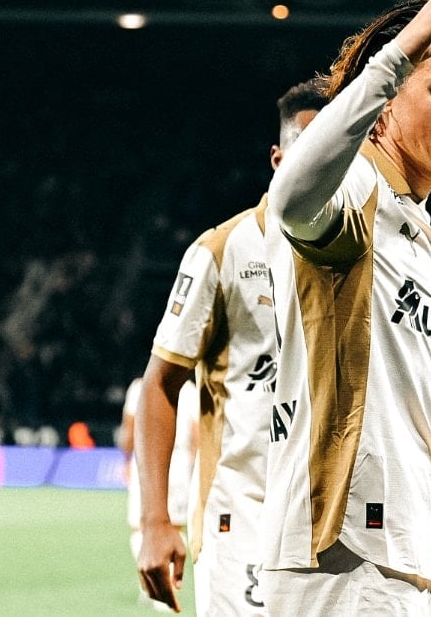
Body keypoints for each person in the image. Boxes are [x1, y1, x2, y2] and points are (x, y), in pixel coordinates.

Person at [261, 0, 431, 616]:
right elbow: (289, 198)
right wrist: (390, 61)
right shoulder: (354, 190)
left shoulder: (423, 234)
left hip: (396, 552)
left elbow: (400, 402)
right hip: (339, 556)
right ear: (386, 102)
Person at [135, 79, 328, 615]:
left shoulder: (362, 256)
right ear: (277, 159)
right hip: (244, 518)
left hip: (336, 523)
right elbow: (160, 383)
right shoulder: (224, 250)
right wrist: (156, 521)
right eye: (306, 152)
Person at [120, 375, 198, 612]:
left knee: (140, 526)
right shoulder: (189, 389)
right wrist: (193, 468)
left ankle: (153, 585)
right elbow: (197, 435)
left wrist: (126, 459)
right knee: (175, 526)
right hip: (180, 460)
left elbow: (129, 430)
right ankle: (169, 583)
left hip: (148, 460)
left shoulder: (139, 387)